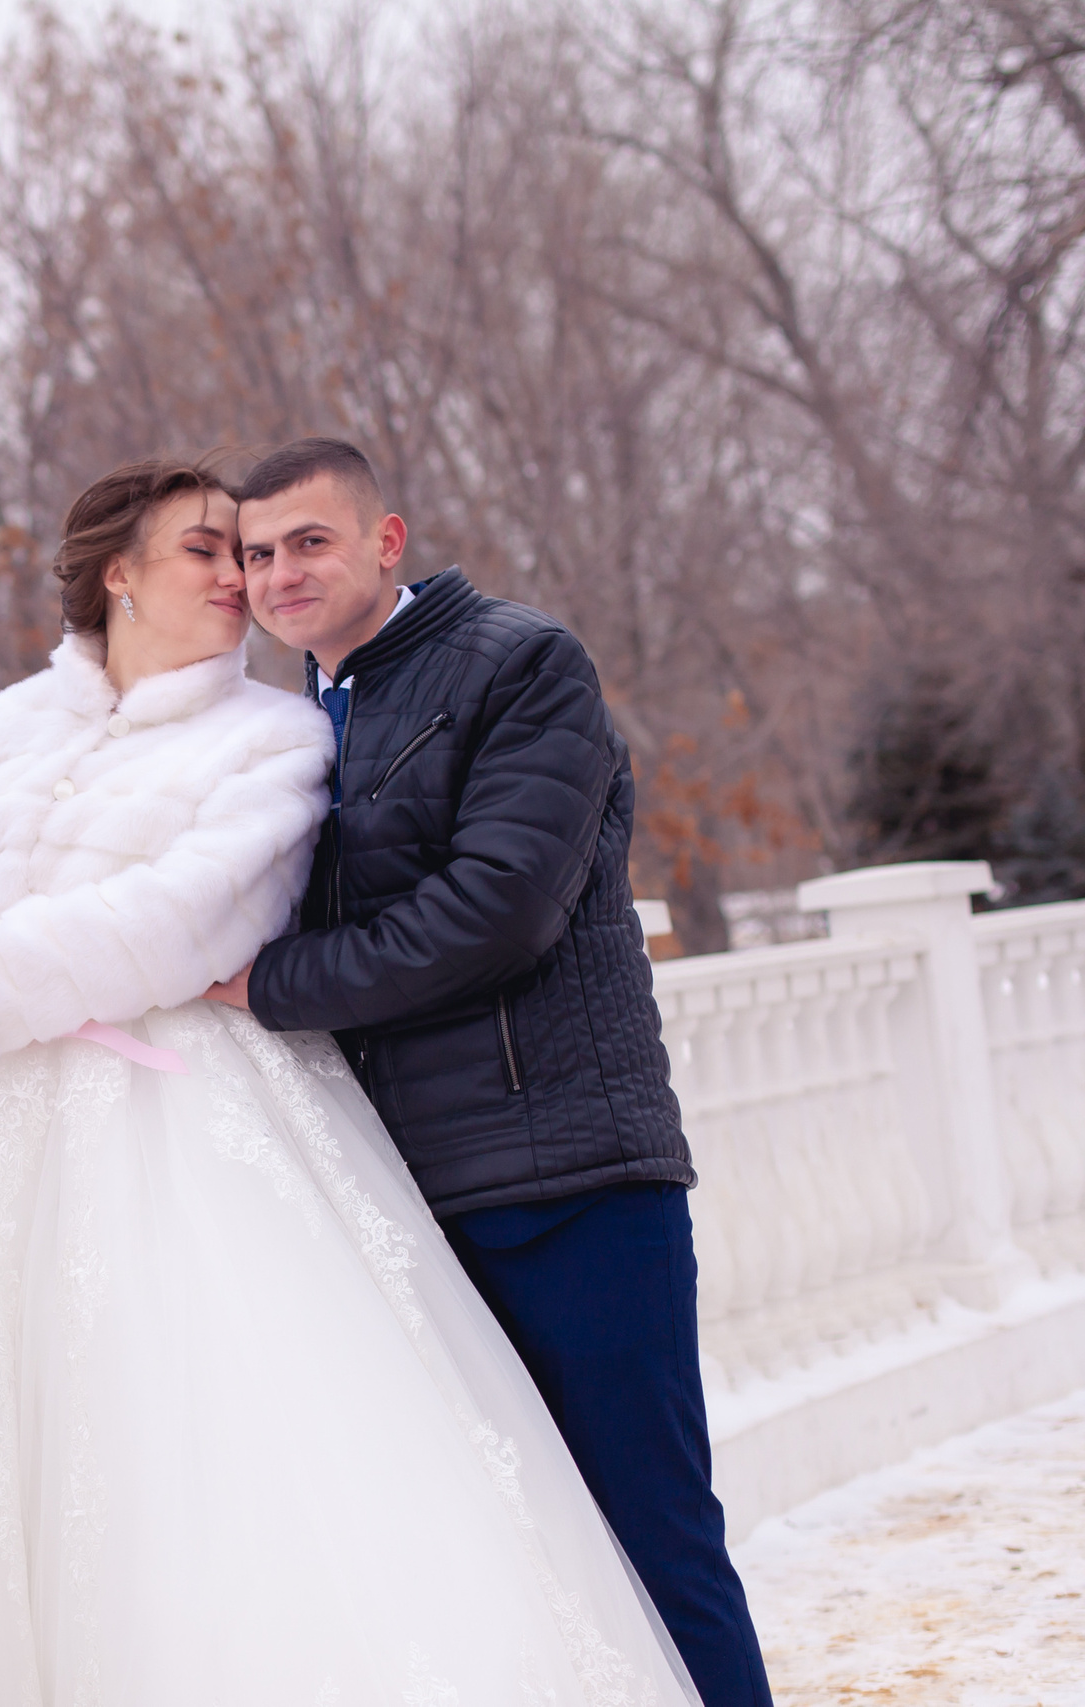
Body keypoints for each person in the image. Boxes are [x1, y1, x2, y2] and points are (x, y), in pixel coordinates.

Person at [0, 454, 705, 1703]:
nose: (245, 578)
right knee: (80, 1481)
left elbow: (188, 928)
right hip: (21, 1160)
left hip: (208, 1137)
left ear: (381, 539)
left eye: (257, 550)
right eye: (216, 551)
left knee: (288, 1468)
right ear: (118, 574)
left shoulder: (276, 733)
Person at [216, 436, 772, 1707]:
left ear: (385, 541)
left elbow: (497, 911)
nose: (280, 573)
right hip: (408, 1207)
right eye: (257, 553)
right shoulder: (291, 725)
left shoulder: (518, 665)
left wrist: (269, 988)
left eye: (310, 541)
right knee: (512, 1572)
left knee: (653, 1540)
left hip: (572, 1180)